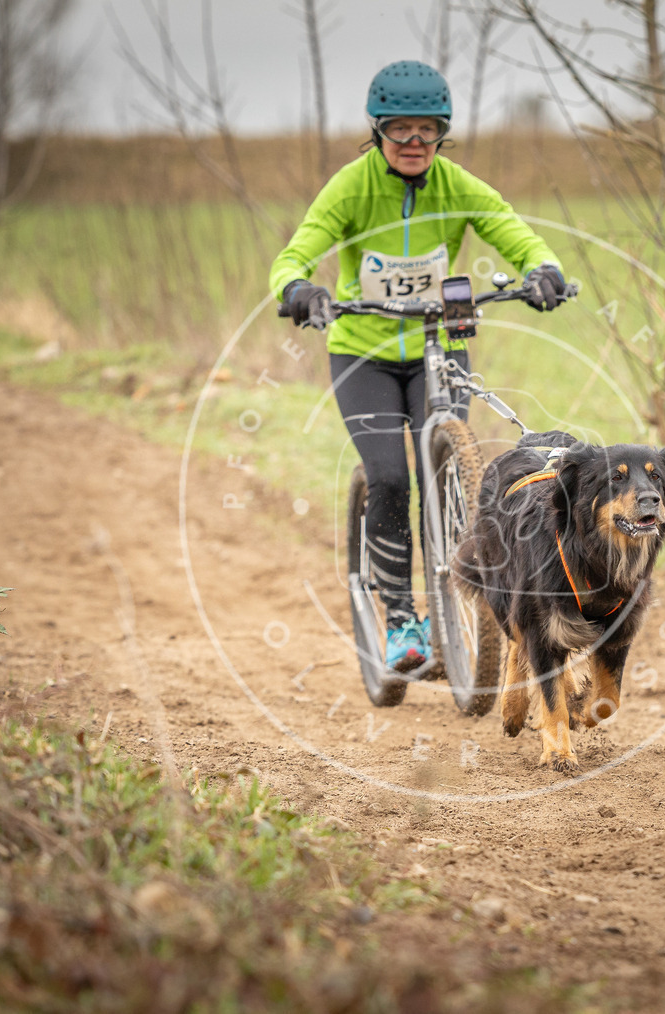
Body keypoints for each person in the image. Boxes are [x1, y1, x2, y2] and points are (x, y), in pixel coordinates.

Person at [270, 60, 565, 672]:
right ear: (376, 132)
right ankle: (402, 620)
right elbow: (302, 246)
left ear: (441, 133)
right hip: (364, 354)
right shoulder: (352, 187)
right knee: (391, 478)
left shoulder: (457, 186)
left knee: (446, 478)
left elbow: (510, 229)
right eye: (398, 130)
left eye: (426, 130)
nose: (412, 143)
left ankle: (449, 610)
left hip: (438, 343)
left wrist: (542, 269)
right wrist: (297, 287)